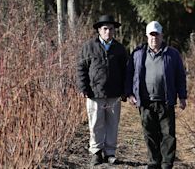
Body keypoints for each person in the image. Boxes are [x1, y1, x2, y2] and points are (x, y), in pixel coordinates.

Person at [125, 21, 187, 169]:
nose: (154, 38)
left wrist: (182, 97)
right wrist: (129, 93)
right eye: (151, 35)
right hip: (145, 101)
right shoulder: (138, 53)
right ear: (147, 36)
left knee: (168, 134)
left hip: (166, 100)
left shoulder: (172, 54)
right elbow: (129, 74)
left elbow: (180, 76)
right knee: (150, 133)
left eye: (156, 35)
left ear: (162, 35)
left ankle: (166, 163)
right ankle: (154, 162)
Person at [77, 14, 128, 166]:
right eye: (105, 29)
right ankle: (96, 152)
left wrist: (125, 90)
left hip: (114, 94)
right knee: (95, 123)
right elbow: (81, 68)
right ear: (99, 30)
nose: (108, 32)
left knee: (112, 124)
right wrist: (83, 87)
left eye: (111, 29)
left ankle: (110, 153)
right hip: (94, 93)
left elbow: (126, 71)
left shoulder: (119, 49)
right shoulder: (88, 47)